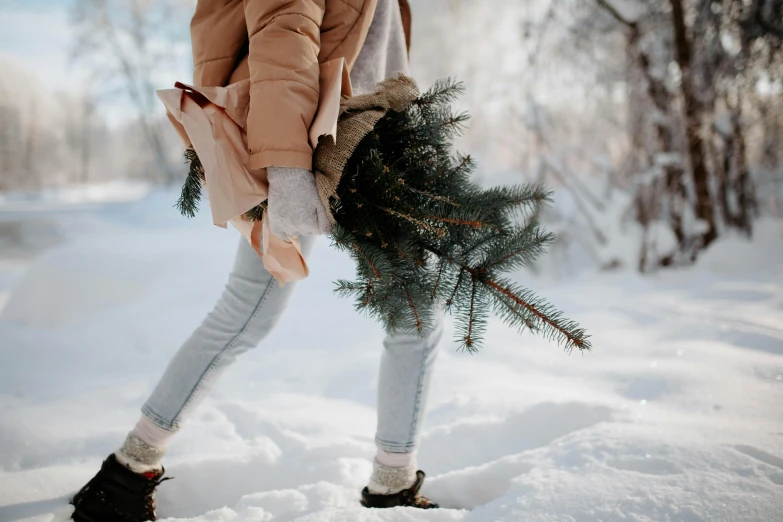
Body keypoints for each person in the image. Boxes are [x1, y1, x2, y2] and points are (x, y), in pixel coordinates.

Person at [70, 1, 441, 520]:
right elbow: (282, 30)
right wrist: (287, 169)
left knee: (413, 314)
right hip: (316, 142)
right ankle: (127, 473)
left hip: (374, 136)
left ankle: (393, 482)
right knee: (252, 311)